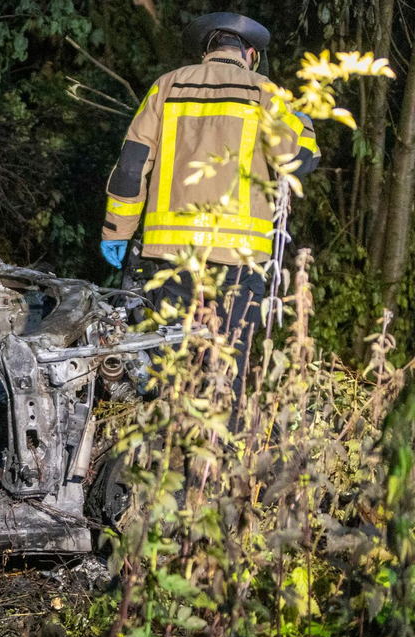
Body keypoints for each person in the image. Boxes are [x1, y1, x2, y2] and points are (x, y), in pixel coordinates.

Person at [100, 12, 320, 398]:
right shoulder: (266, 92)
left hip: (170, 256)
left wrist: (117, 231)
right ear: (250, 53)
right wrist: (304, 126)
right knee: (225, 373)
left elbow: (131, 167)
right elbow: (297, 163)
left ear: (208, 50)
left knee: (169, 371)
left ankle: (162, 447)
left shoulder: (165, 87)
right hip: (239, 260)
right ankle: (219, 453)